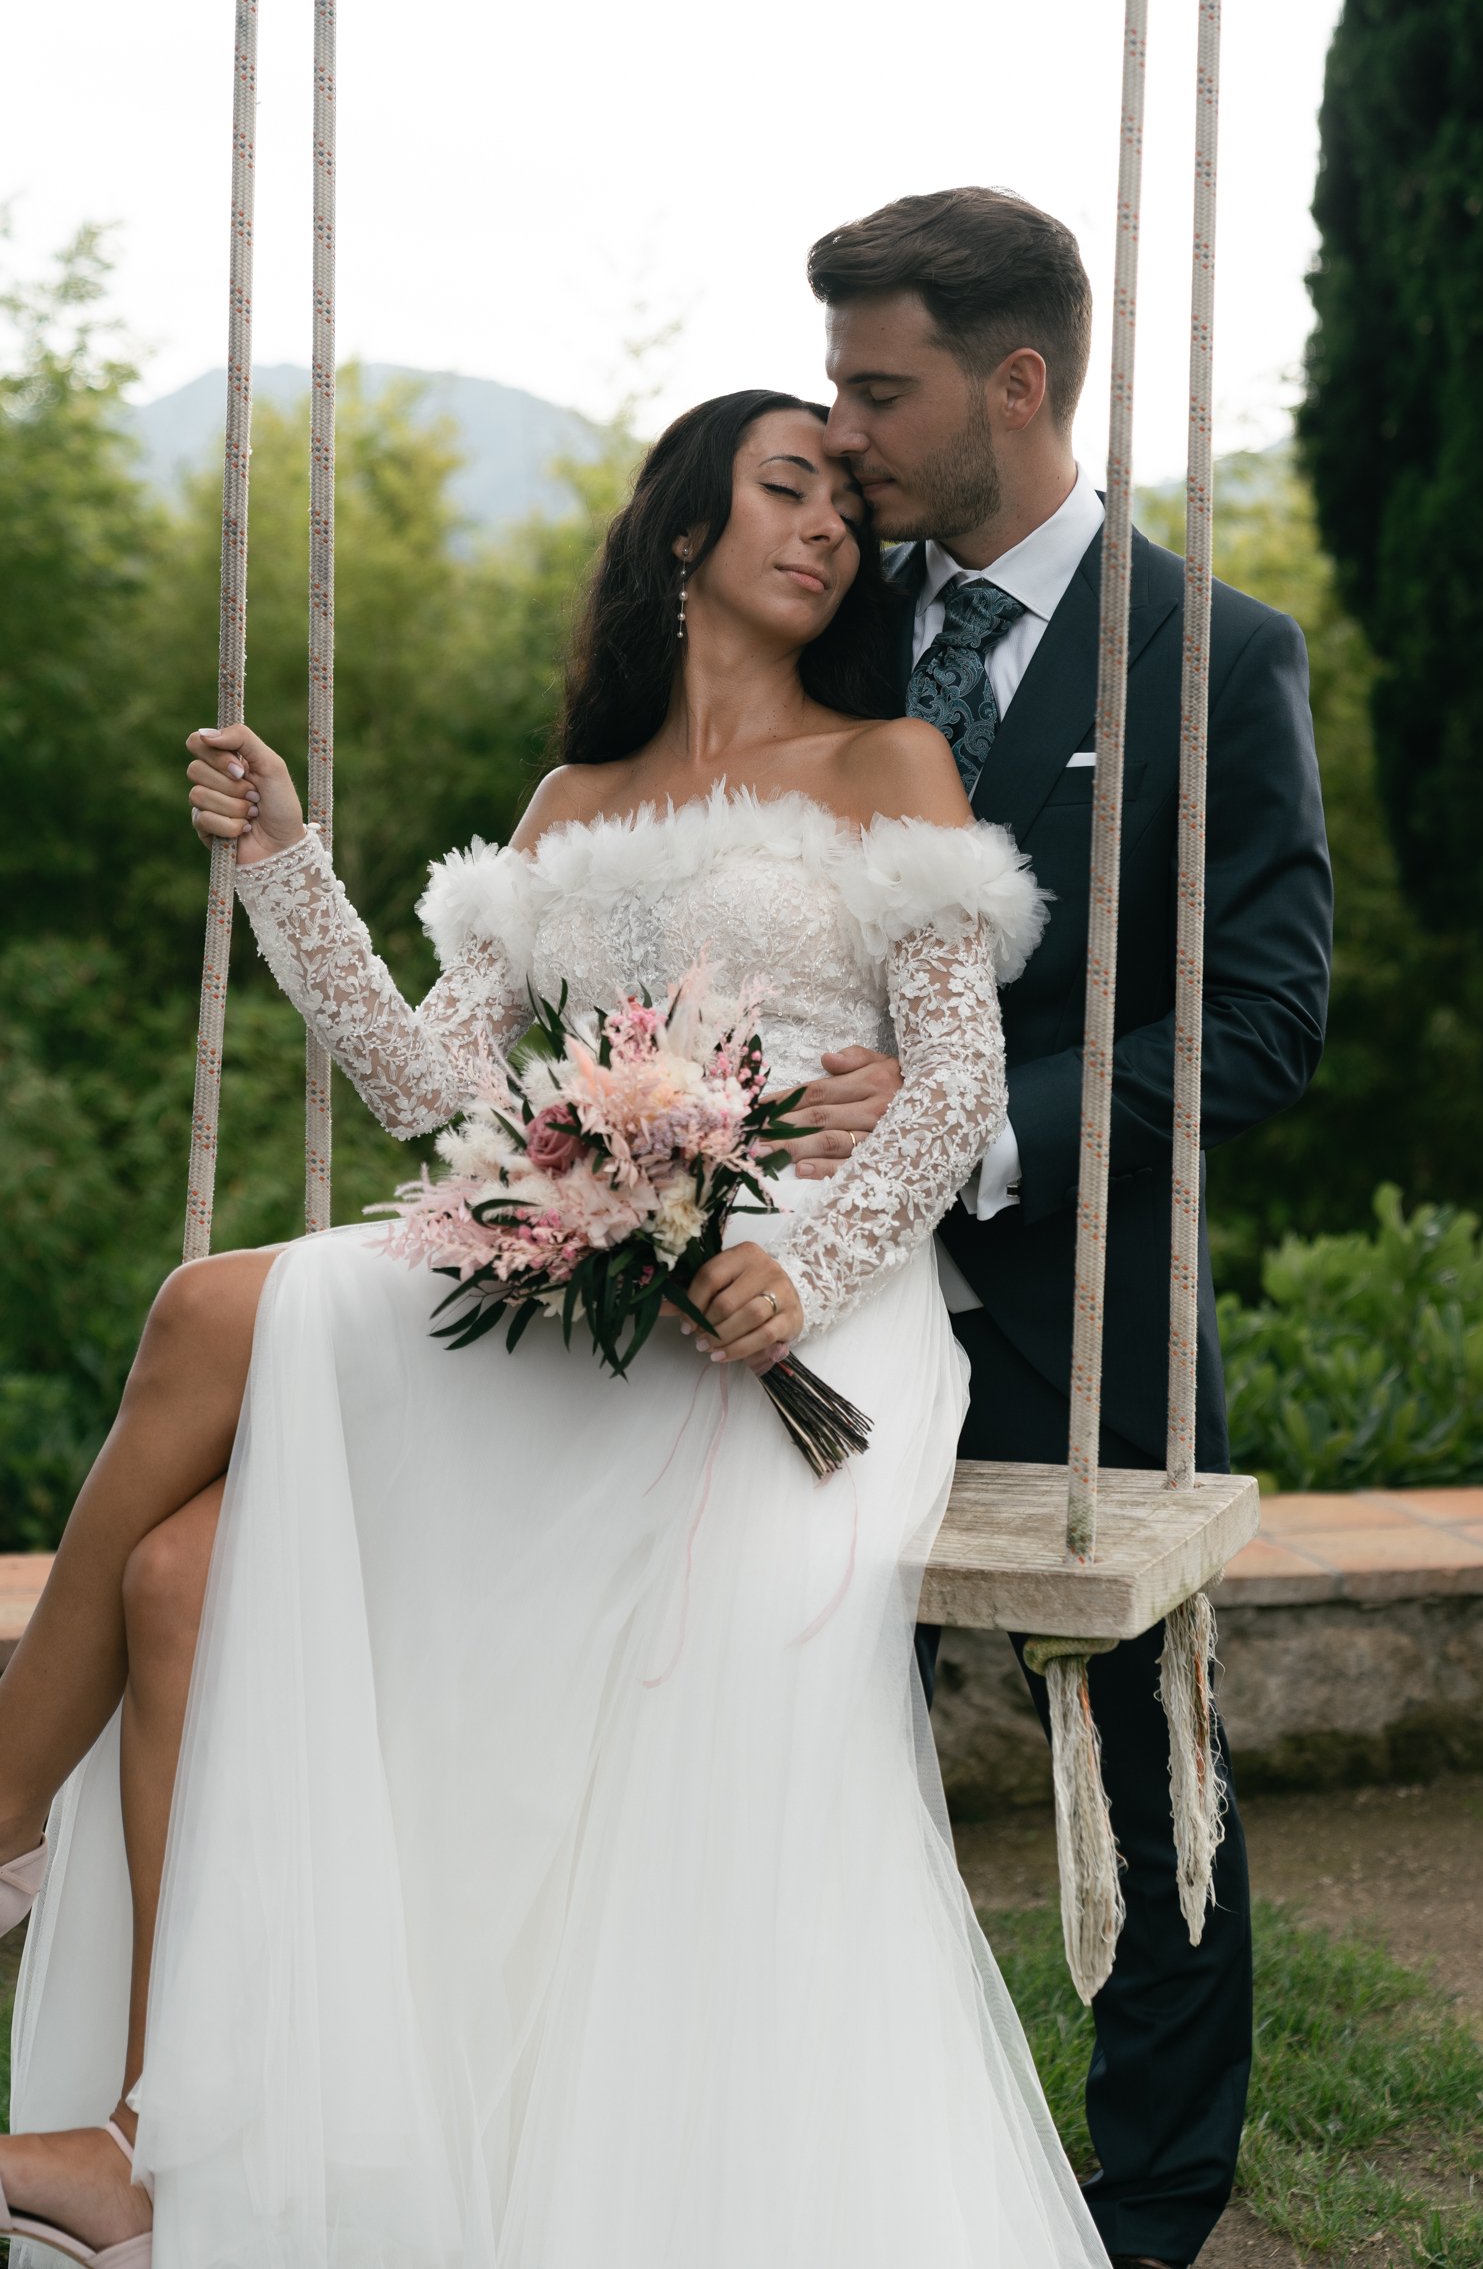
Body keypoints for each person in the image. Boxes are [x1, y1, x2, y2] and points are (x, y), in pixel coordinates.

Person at [0, 390, 1113, 2268]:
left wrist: (804, 1273)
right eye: (788, 488)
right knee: (182, 1576)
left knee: (208, 1304)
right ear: (684, 531)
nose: (828, 527)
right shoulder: (571, 809)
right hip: (576, 1250)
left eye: (848, 504)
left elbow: (949, 1093)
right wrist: (286, 858)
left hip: (804, 1309)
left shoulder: (888, 763)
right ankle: (137, 2133)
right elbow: (433, 1076)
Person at [786, 188, 1334, 2269]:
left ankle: (1153, 2213)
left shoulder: (1213, 655)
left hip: (1071, 1305)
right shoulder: (829, 612)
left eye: (879, 386)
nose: (842, 434)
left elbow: (1265, 1022)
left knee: (1145, 1778)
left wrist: (968, 1131)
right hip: (795, 1319)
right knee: (779, 1735)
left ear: (1014, 382)